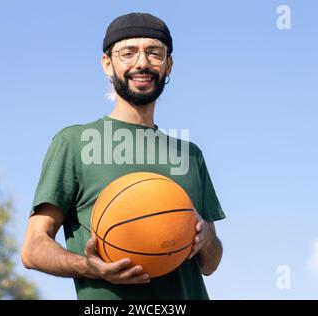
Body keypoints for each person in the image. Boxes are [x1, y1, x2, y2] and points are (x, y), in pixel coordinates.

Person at [21, 12, 226, 300]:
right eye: (128, 53)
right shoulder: (73, 143)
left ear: (168, 65)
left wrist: (206, 239)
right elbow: (33, 248)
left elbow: (211, 264)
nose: (142, 63)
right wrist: (89, 267)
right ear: (108, 64)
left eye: (154, 52)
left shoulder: (189, 154)